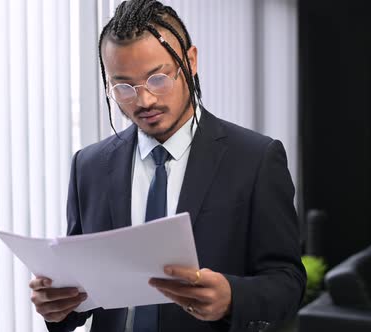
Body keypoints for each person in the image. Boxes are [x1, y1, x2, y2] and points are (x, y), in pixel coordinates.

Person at [29, 0, 306, 331]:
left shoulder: (256, 159)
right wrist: (56, 306)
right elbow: (81, 291)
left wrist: (233, 296)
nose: (144, 100)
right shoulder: (88, 166)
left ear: (189, 61)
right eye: (124, 87)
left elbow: (287, 283)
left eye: (157, 79)